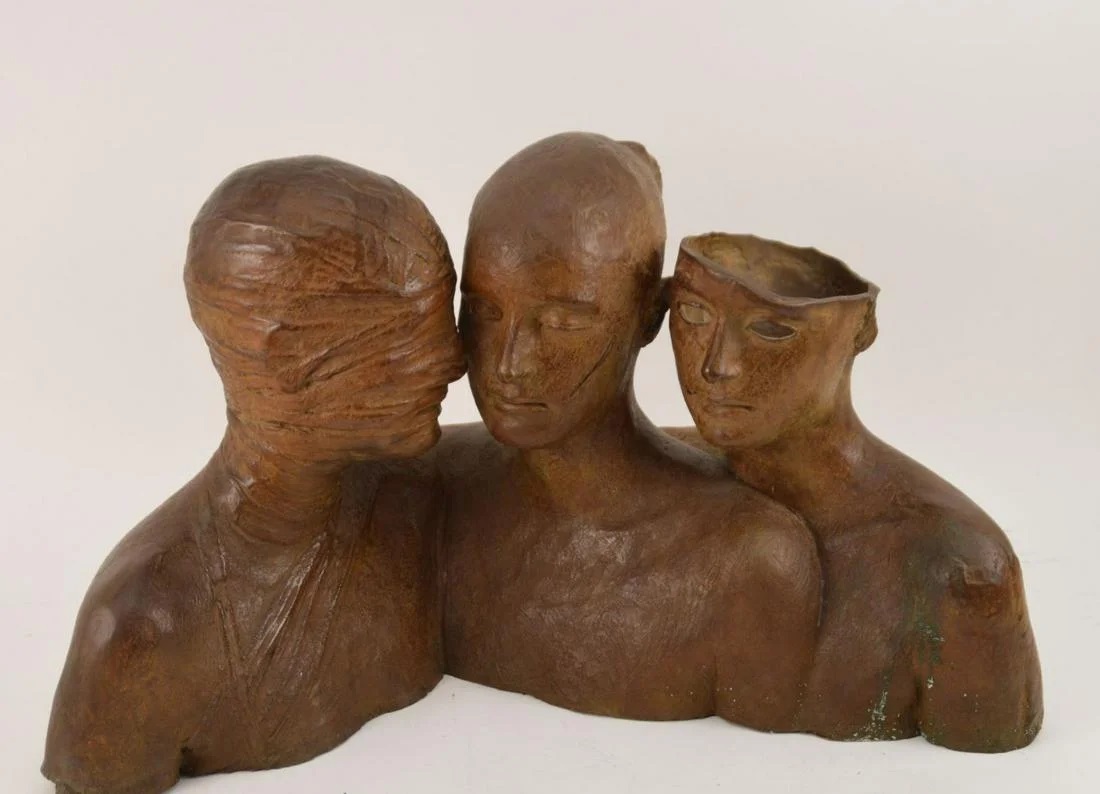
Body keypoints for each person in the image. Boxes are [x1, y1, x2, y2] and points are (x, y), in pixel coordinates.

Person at [43, 156, 466, 793]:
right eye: (412, 332)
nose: (454, 360)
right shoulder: (142, 626)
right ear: (290, 360)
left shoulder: (409, 500)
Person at [435, 133, 822, 730]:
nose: (509, 362)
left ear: (650, 315)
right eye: (485, 311)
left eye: (561, 321)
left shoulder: (750, 559)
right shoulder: (430, 489)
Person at [666, 232, 1042, 751]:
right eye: (693, 315)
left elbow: (989, 761)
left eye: (772, 330)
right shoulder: (655, 480)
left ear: (858, 334)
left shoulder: (961, 569)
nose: (716, 365)